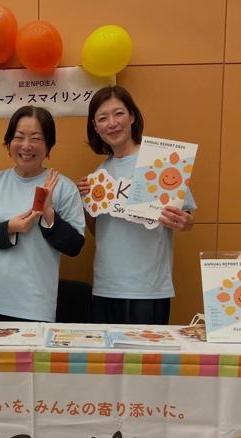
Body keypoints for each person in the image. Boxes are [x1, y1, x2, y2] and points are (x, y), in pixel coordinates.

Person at [77, 86, 196, 325]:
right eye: (103, 118)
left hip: (148, 289)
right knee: (106, 351)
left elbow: (187, 219)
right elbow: (99, 232)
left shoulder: (160, 163)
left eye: (118, 113)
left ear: (132, 116)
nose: (112, 123)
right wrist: (86, 203)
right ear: (95, 127)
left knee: (145, 351)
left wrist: (184, 222)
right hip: (106, 286)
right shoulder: (99, 174)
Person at [0, 105, 85, 322]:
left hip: (35, 306)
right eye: (18, 137)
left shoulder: (64, 187)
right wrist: (9, 228)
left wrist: (49, 214)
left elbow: (75, 246)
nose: (26, 146)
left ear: (48, 145)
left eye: (36, 138)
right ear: (9, 143)